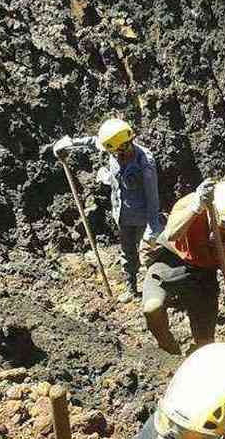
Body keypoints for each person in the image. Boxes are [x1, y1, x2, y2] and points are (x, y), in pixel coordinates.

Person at [141, 179, 225, 354]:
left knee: (205, 346)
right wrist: (195, 208)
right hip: (172, 259)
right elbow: (172, 233)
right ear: (212, 211)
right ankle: (168, 350)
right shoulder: (192, 204)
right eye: (223, 224)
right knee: (152, 309)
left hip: (205, 272)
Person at [53, 119, 163, 302]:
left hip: (142, 218)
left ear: (124, 146)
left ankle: (156, 294)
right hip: (122, 214)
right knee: (127, 253)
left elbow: (153, 198)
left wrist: (153, 228)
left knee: (149, 257)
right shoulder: (114, 147)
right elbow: (93, 142)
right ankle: (131, 288)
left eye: (114, 151)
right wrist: (70, 143)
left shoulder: (145, 161)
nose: (111, 154)